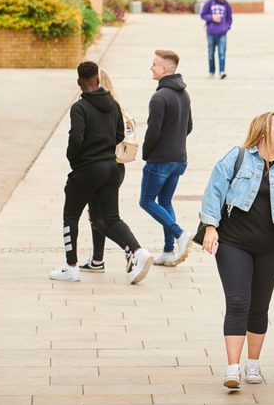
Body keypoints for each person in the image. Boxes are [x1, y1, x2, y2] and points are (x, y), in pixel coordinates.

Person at [199, 112, 274, 389]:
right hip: (233, 242)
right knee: (238, 301)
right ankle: (232, 368)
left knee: (259, 305)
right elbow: (214, 190)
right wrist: (210, 226)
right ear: (263, 130)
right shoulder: (237, 156)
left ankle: (253, 364)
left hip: (272, 247)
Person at [50, 61, 153, 284]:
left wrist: (75, 160)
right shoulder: (114, 105)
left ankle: (71, 266)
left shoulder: (80, 107)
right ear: (97, 79)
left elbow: (75, 139)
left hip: (87, 169)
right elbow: (118, 134)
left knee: (71, 216)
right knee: (111, 217)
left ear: (79, 83)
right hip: (111, 169)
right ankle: (138, 251)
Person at [80, 69, 138, 273]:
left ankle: (132, 249)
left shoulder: (96, 108)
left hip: (100, 166)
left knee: (102, 218)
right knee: (98, 213)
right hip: (117, 167)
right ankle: (97, 260)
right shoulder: (117, 107)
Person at [141, 50, 195, 266]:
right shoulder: (184, 94)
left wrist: (147, 154)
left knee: (146, 201)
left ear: (164, 69)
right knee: (164, 201)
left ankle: (180, 233)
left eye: (154, 65)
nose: (151, 68)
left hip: (160, 160)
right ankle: (168, 251)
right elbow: (188, 127)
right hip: (179, 159)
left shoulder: (159, 97)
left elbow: (153, 132)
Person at [201, 0, 233, 79]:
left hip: (222, 33)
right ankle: (211, 71)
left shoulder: (226, 5)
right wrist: (212, 18)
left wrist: (226, 27)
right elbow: (203, 15)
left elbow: (229, 19)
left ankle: (222, 71)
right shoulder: (209, 3)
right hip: (211, 32)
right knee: (211, 53)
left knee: (222, 53)